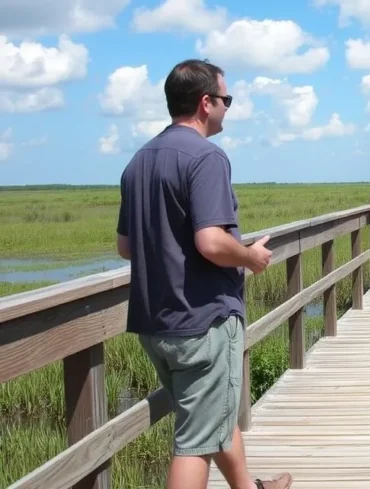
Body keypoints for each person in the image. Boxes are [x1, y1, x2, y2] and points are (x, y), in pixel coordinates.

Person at [115, 59, 291, 489]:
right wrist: (250, 257)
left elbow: (125, 246)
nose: (228, 108)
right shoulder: (207, 158)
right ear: (205, 102)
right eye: (226, 100)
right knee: (194, 441)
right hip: (202, 322)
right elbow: (211, 242)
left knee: (210, 412)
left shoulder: (139, 161)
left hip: (156, 324)